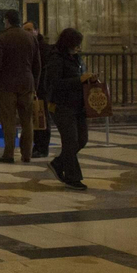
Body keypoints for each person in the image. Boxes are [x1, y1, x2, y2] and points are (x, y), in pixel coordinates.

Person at [42, 28, 93, 190]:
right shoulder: (56, 59)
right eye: (75, 44)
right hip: (62, 105)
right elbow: (55, 83)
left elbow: (80, 77)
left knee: (82, 139)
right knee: (70, 141)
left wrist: (88, 79)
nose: (78, 47)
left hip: (78, 104)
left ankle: (58, 163)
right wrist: (79, 80)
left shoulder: (76, 58)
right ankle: (72, 177)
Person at [0, 10, 41, 163]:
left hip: (7, 84)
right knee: (27, 120)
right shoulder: (31, 38)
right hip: (27, 82)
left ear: (7, 21)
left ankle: (9, 153)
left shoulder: (2, 38)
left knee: (8, 120)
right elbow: (37, 65)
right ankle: (27, 154)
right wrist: (35, 84)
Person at [24, 22, 51, 158]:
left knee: (41, 117)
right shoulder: (26, 45)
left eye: (30, 29)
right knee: (33, 117)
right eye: (25, 30)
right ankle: (36, 146)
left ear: (36, 30)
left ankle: (42, 147)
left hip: (41, 88)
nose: (28, 32)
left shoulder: (44, 47)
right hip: (30, 87)